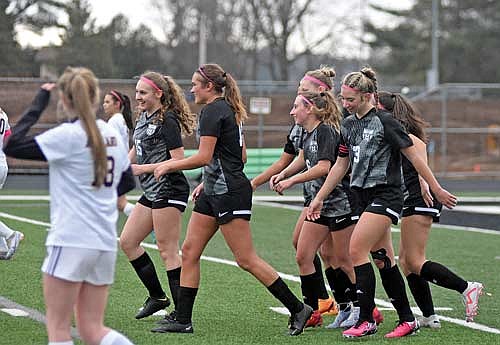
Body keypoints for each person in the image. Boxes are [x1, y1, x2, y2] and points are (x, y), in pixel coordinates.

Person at [150, 63, 312, 335]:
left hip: (229, 193)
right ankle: (183, 318)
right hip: (214, 190)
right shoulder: (223, 109)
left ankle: (298, 308)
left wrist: (168, 165)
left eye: (195, 84)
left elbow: (203, 157)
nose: (191, 89)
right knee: (189, 251)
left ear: (209, 87)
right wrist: (207, 181)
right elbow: (239, 156)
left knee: (246, 259)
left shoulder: (214, 110)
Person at [307, 67, 457, 339]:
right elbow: (341, 165)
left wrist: (435, 187)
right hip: (360, 197)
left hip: (385, 195)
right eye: (342, 98)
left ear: (367, 96)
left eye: (350, 99)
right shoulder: (349, 124)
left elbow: (414, 156)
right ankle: (407, 319)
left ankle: (366, 319)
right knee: (383, 260)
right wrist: (318, 198)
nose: (345, 104)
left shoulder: (386, 122)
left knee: (356, 250)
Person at [4, 67, 135, 345]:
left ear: (64, 100)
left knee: (59, 329)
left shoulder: (67, 135)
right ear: (95, 97)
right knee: (92, 329)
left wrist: (39, 102)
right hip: (104, 242)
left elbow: (12, 145)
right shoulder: (109, 134)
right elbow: (125, 183)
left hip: (71, 239)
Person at [377, 91, 483, 325]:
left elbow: (419, 158)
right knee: (406, 262)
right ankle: (429, 316)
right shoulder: (386, 134)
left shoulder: (408, 136)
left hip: (420, 199)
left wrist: (427, 185)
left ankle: (467, 288)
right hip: (409, 199)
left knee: (414, 261)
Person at [251, 67, 340, 318]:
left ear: (319, 93)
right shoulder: (302, 125)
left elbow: (329, 165)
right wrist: (259, 181)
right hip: (315, 195)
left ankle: (355, 307)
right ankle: (324, 302)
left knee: (339, 255)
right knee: (311, 249)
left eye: (304, 89)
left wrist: (290, 180)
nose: (299, 92)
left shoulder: (330, 124)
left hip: (334, 196)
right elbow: (291, 159)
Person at [270, 90, 359, 329]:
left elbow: (323, 167)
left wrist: (291, 181)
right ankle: (309, 311)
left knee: (344, 259)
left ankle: (362, 308)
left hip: (338, 203)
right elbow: (304, 159)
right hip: (318, 204)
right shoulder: (308, 134)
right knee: (303, 254)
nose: (292, 111)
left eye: (296, 106)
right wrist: (284, 173)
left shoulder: (327, 131)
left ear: (309, 109)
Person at [119, 71, 197, 320]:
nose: (137, 97)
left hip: (170, 189)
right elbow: (136, 148)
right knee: (128, 242)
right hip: (151, 191)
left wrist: (143, 169)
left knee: (167, 250)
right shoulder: (143, 117)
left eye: (143, 92)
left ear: (158, 94)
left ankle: (180, 313)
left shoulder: (168, 120)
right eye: (137, 92)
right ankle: (157, 297)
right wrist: (119, 168)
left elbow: (178, 160)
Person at [103, 89, 135, 216]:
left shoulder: (114, 121)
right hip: (119, 163)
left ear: (117, 104)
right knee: (117, 203)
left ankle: (148, 220)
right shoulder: (119, 119)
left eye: (107, 102)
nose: (104, 105)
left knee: (119, 203)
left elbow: (111, 145)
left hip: (115, 164)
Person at [0, 107, 24, 260]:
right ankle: (2, 248)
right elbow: (8, 135)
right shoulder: (3, 114)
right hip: (2, 164)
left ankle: (11, 235)